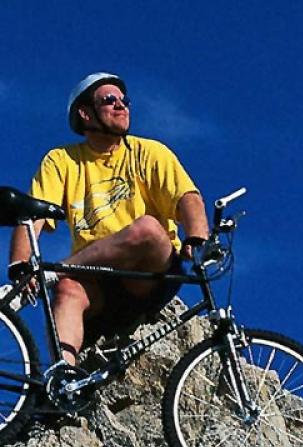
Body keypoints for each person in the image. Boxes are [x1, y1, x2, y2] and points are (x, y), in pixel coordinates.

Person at [8, 72, 209, 365]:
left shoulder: (149, 152)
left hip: (147, 276)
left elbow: (187, 198)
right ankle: (62, 377)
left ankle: (55, 273)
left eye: (124, 100)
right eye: (110, 100)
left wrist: (197, 238)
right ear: (85, 113)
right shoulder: (62, 160)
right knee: (67, 290)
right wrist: (19, 268)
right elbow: (32, 215)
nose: (121, 105)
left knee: (148, 229)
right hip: (97, 285)